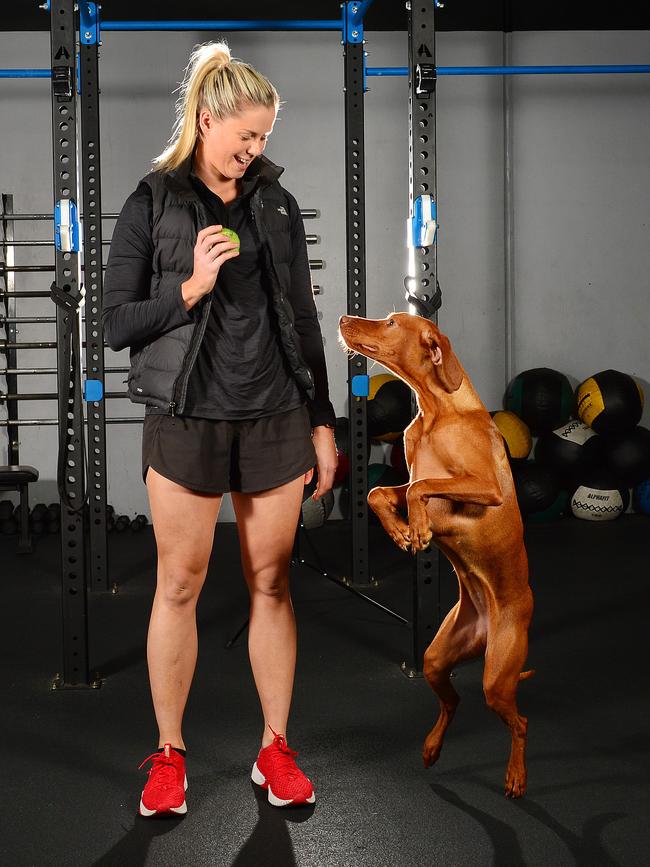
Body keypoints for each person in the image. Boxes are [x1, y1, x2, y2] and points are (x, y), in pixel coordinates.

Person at [102, 42, 337, 815]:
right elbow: (114, 323)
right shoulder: (153, 200)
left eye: (265, 138)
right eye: (246, 136)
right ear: (207, 120)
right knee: (180, 583)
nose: (255, 150)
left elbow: (302, 319)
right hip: (186, 417)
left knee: (271, 581)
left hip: (272, 413)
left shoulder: (274, 202)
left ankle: (275, 749)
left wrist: (323, 422)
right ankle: (169, 757)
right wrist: (191, 287)